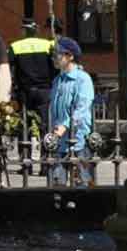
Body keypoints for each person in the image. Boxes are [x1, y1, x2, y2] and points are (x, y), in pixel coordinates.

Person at [45, 36, 95, 187]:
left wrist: (64, 126)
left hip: (78, 143)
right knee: (57, 188)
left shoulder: (83, 79)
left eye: (57, 53)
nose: (53, 57)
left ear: (70, 56)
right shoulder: (57, 81)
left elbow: (81, 109)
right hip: (58, 143)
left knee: (82, 188)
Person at [9, 20, 56, 118]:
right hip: (44, 90)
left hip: (25, 91)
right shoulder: (47, 45)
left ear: (24, 31)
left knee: (25, 122)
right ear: (36, 31)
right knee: (44, 122)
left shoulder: (15, 46)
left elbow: (10, 68)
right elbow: (55, 66)